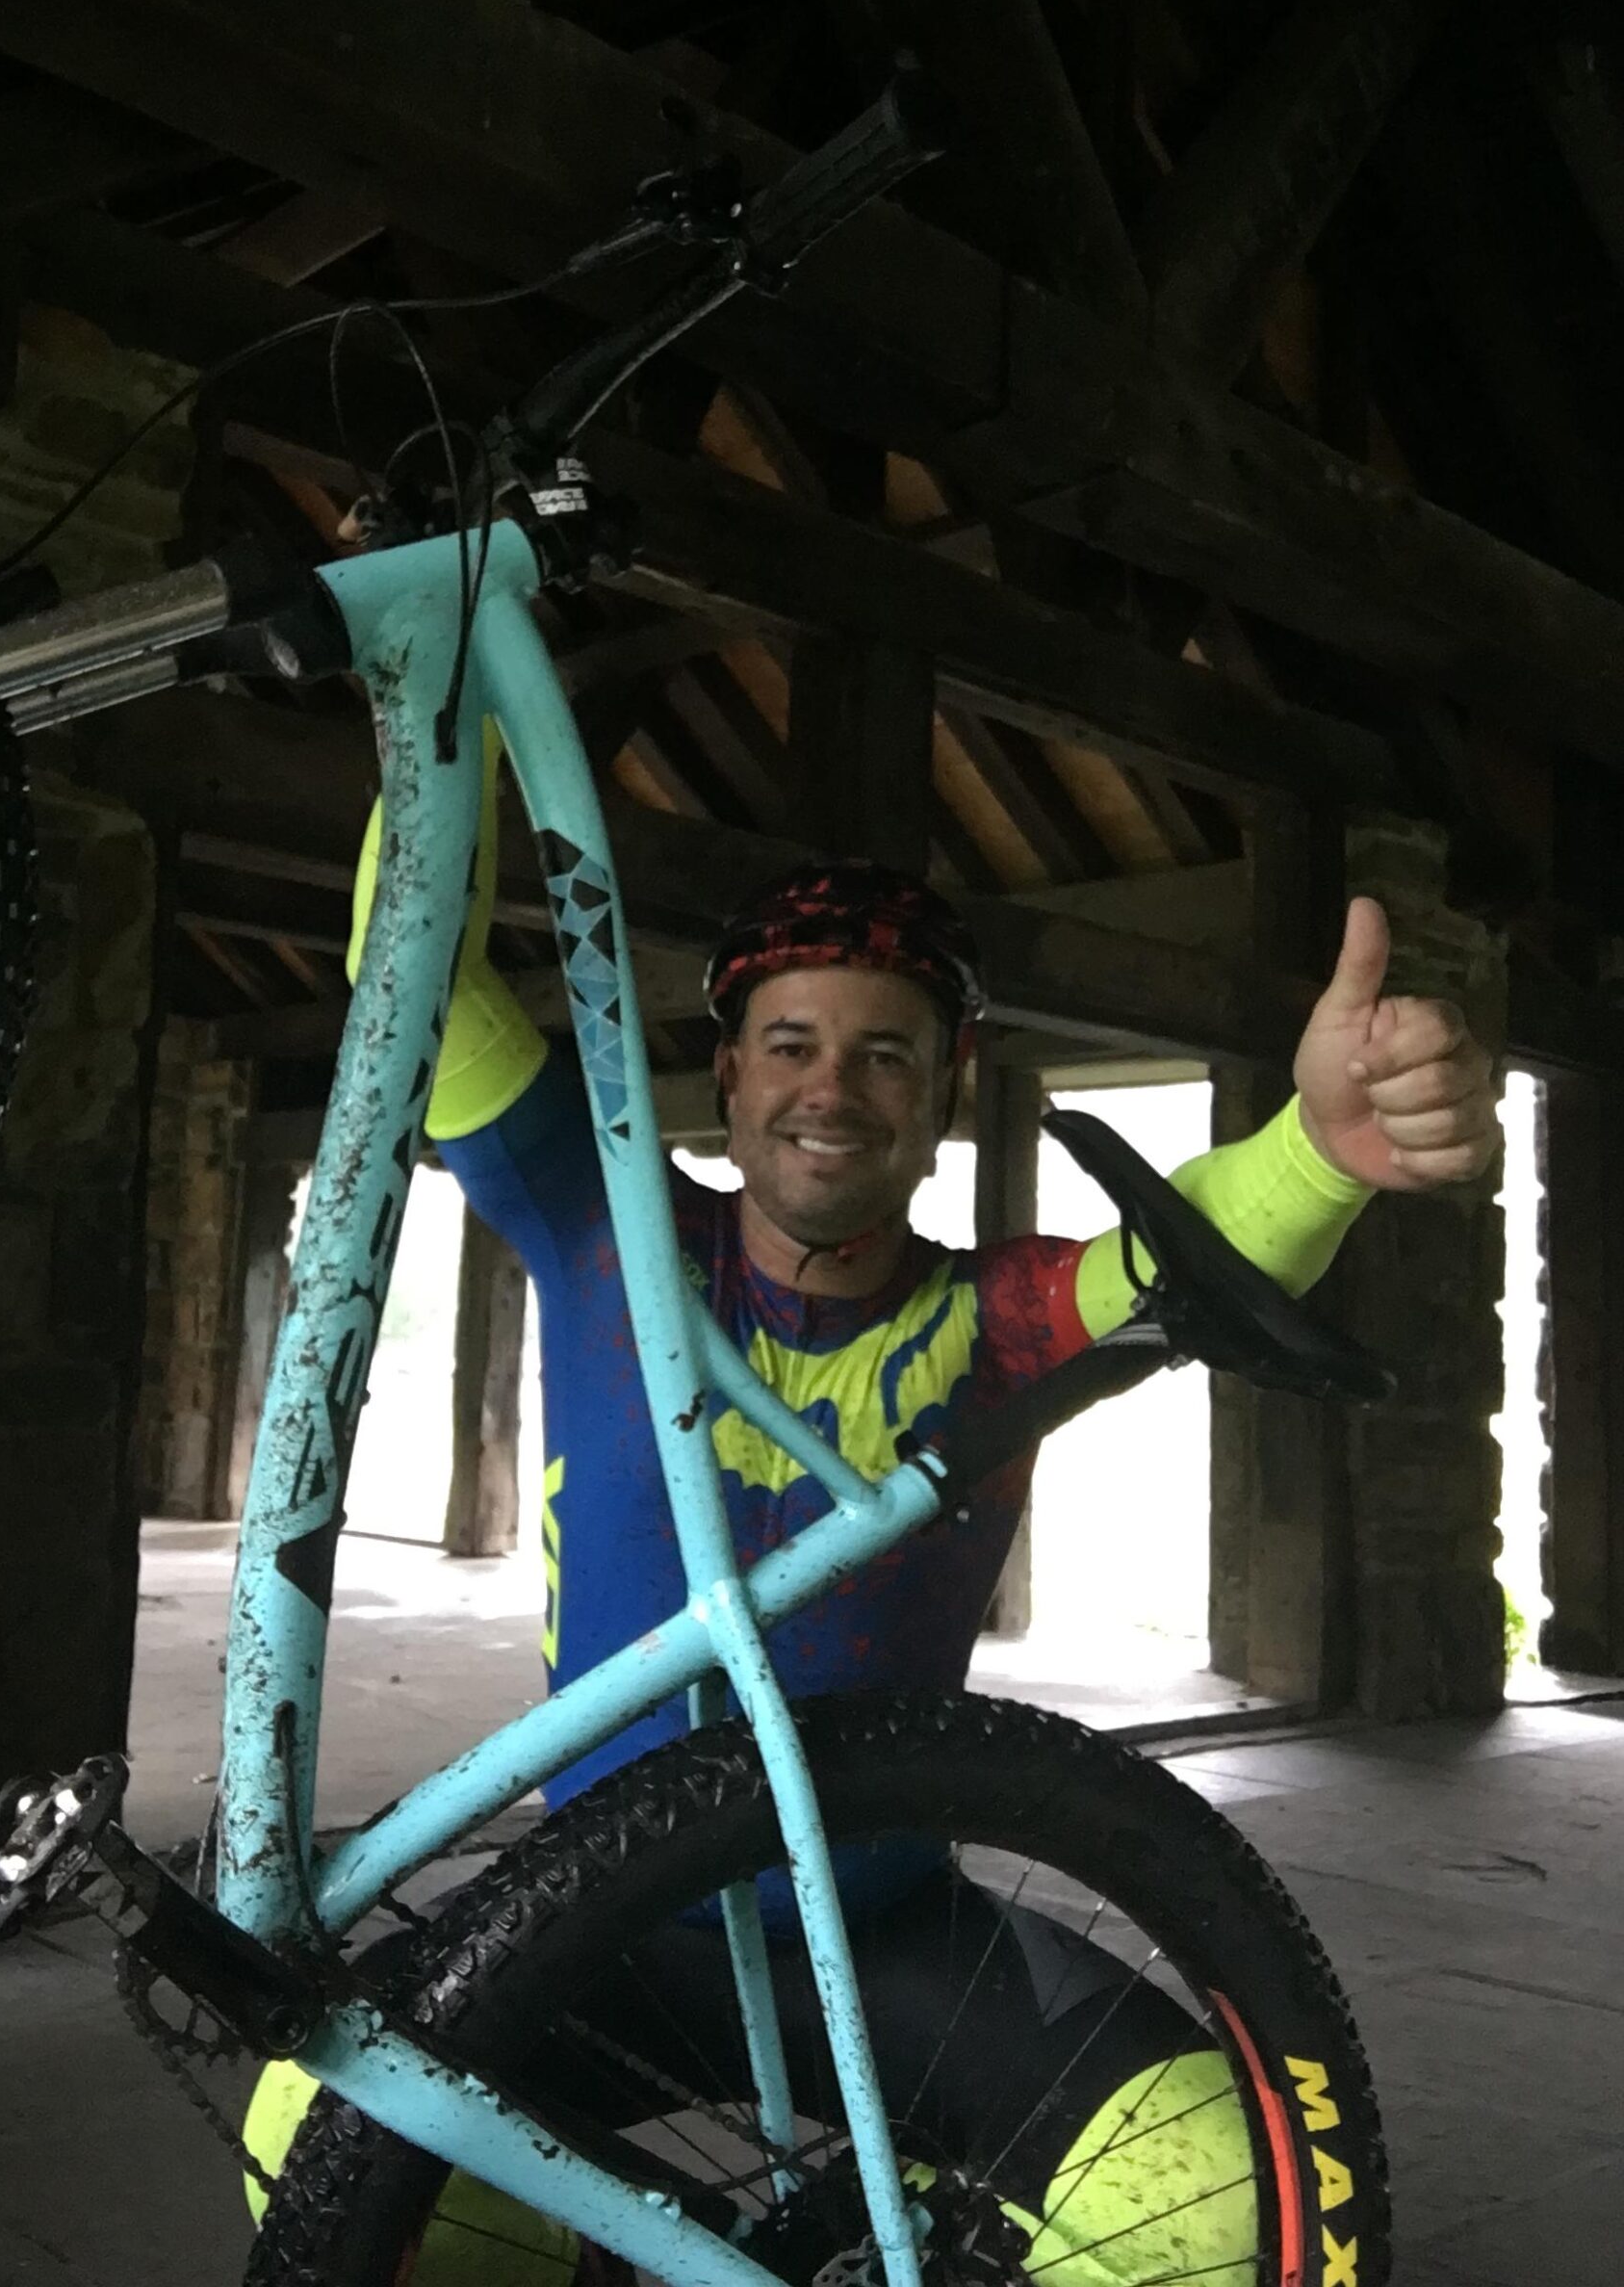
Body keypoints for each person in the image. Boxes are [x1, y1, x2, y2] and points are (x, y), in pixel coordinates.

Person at [245, 757, 1497, 2277]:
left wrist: (1321, 1150)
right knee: (312, 2130)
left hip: (896, 1932)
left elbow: (1190, 1260)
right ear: (730, 1071)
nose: (831, 1089)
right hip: (593, 1924)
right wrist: (459, 695)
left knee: (1224, 2201)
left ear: (946, 1092)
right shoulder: (605, 1229)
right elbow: (418, 965)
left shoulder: (1004, 1321)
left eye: (887, 1055)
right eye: (791, 1043)